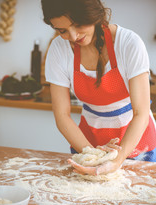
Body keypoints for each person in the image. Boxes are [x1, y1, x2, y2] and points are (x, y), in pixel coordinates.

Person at [41, 0, 156, 175]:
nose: (73, 37)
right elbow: (62, 116)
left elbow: (141, 112)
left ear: (93, 14)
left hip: (136, 140)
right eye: (62, 30)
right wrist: (92, 154)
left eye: (77, 25)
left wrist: (117, 159)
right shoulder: (59, 49)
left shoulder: (129, 43)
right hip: (88, 139)